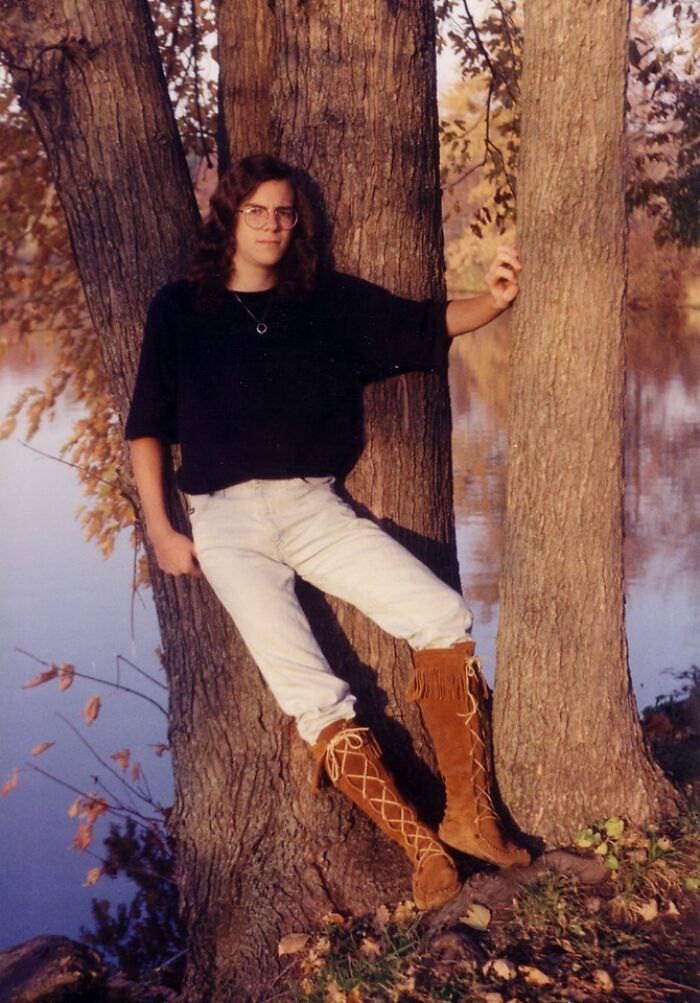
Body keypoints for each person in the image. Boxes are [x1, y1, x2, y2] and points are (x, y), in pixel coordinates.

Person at [125, 153, 530, 912]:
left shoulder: (324, 302)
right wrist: (161, 528)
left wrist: (496, 301)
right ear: (229, 219)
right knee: (311, 694)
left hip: (313, 507)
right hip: (224, 524)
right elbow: (146, 426)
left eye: (285, 213)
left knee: (441, 613)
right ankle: (422, 852)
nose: (273, 226)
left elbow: (421, 324)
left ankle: (471, 819)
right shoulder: (179, 308)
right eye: (258, 213)